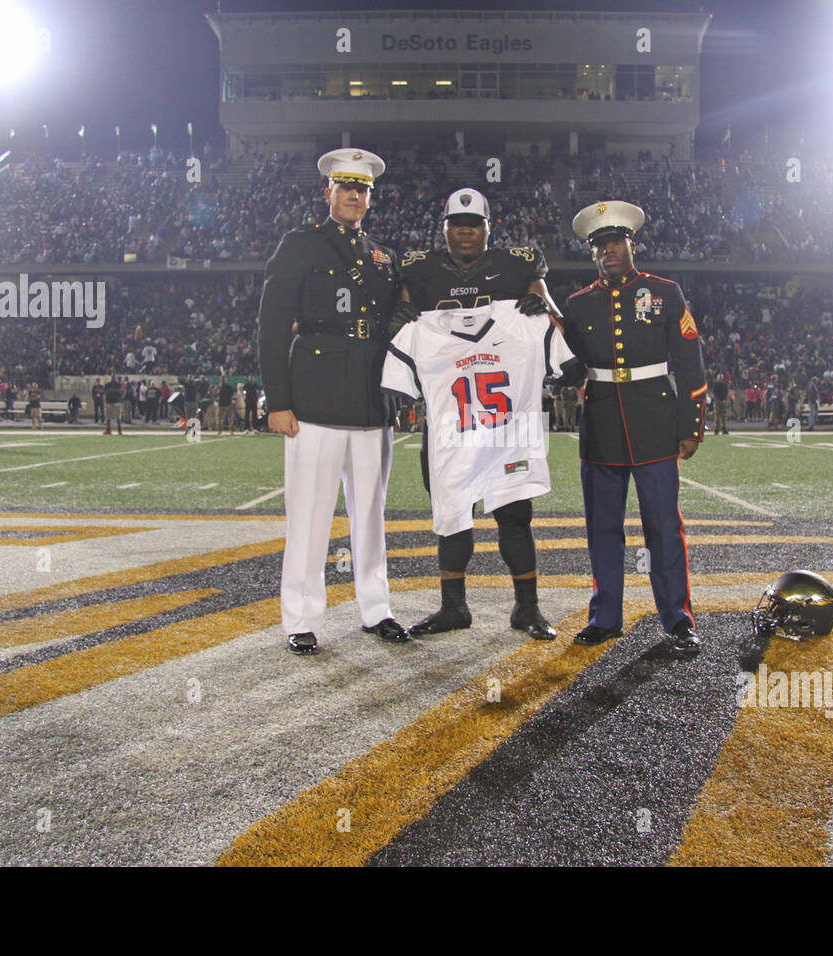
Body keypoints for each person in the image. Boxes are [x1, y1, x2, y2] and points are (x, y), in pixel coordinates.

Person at [395, 187, 564, 640]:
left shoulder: (519, 265)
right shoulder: (419, 271)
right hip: (452, 420)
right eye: (457, 224)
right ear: (445, 228)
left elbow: (553, 316)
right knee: (452, 512)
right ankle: (454, 607)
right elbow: (400, 319)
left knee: (515, 515)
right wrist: (401, 315)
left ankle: (527, 609)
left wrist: (543, 306)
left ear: (490, 228)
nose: (465, 232)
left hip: (508, 423)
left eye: (474, 225)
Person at [257, 147, 406, 653]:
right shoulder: (300, 245)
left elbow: (402, 326)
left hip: (370, 399)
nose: (353, 195)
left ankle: (376, 607)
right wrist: (278, 400)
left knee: (371, 514)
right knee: (310, 514)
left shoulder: (384, 256)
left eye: (361, 189)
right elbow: (272, 326)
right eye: (345, 186)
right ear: (329, 192)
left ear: (369, 198)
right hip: (314, 400)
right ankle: (300, 616)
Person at [560, 200, 705, 655]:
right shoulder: (578, 305)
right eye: (599, 245)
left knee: (663, 526)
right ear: (593, 253)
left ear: (631, 244)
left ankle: (677, 620)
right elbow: (570, 367)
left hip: (656, 423)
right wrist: (540, 326)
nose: (608, 251)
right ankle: (605, 618)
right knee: (603, 527)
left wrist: (691, 425)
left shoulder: (664, 292)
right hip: (601, 424)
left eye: (615, 242)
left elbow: (689, 361)